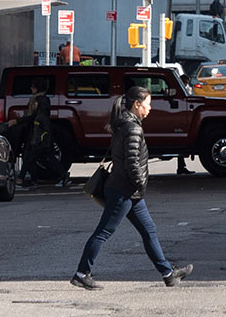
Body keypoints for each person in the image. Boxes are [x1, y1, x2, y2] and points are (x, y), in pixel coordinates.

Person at [70, 85, 191, 289]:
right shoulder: (132, 128)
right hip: (123, 190)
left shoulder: (123, 124)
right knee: (104, 232)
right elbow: (132, 162)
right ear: (137, 104)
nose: (150, 108)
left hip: (127, 190)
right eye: (148, 104)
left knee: (149, 230)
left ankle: (168, 273)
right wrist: (140, 184)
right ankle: (82, 273)